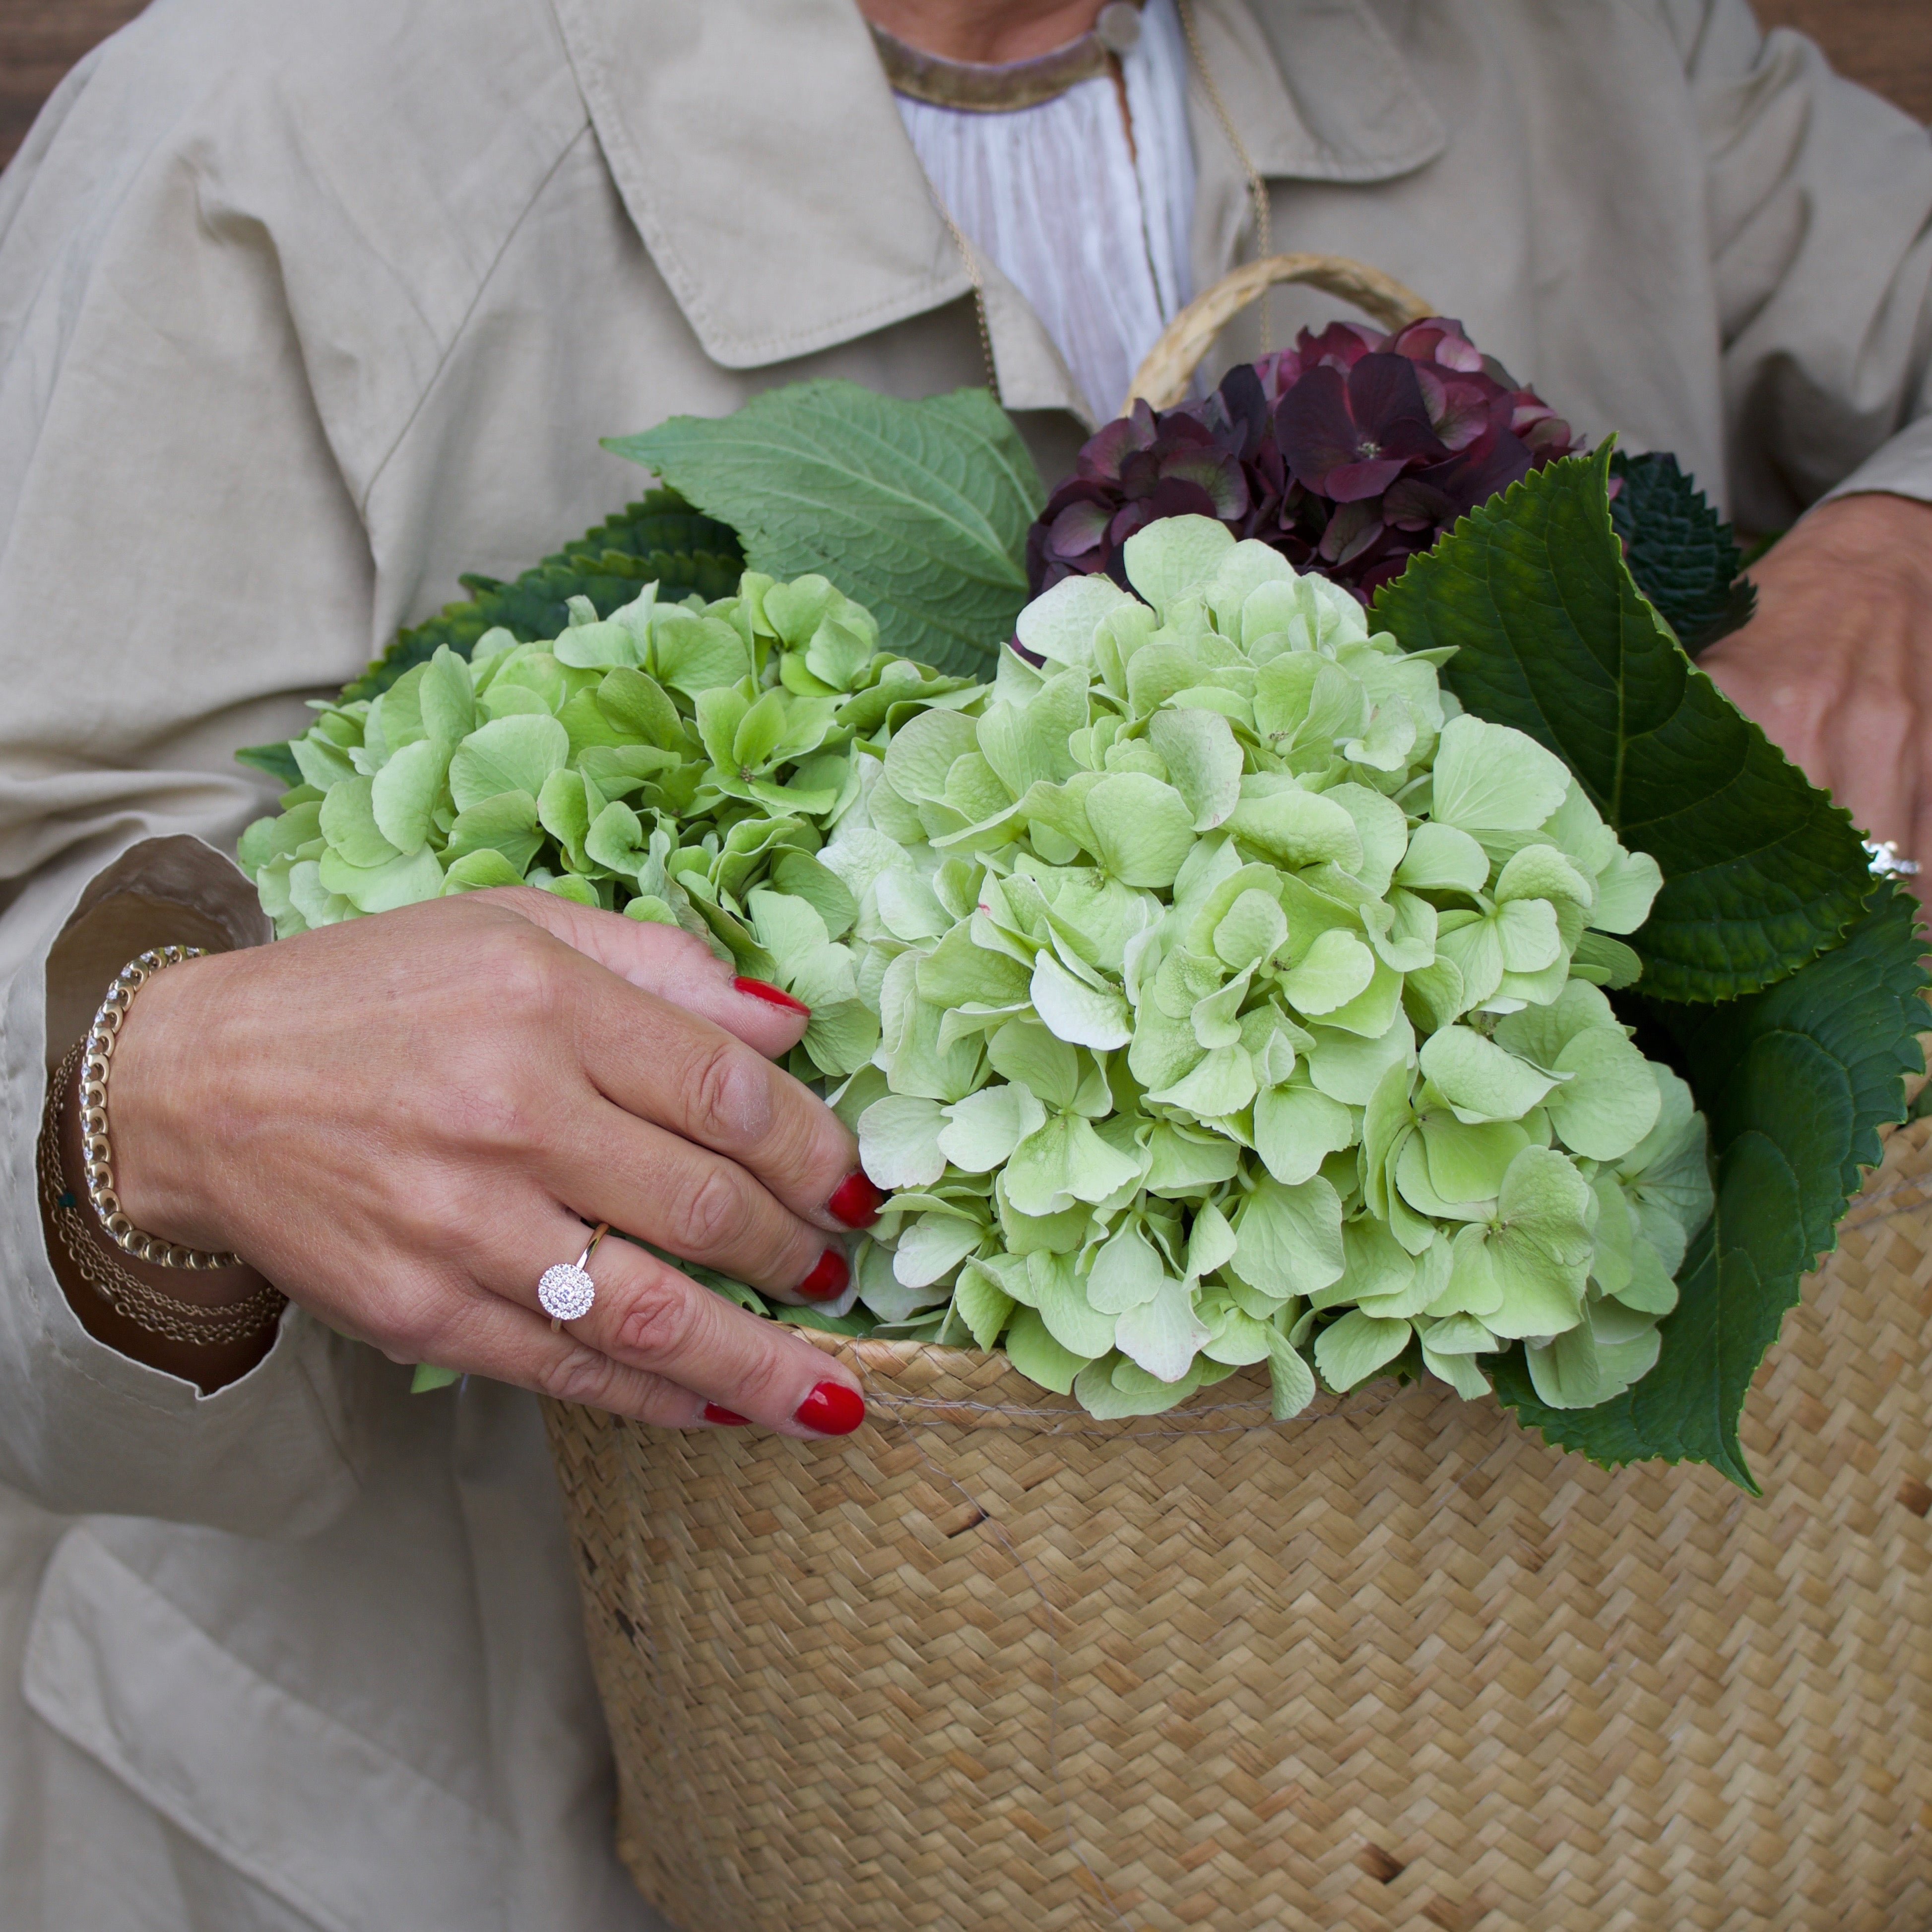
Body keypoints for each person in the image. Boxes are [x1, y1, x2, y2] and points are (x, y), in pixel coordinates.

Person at [0, 0, 1927, 1926]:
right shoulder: (265, 135)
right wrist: (153, 1091)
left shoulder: (1578, 51)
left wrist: (1897, 544)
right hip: (470, 1802)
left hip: (1452, 1783)